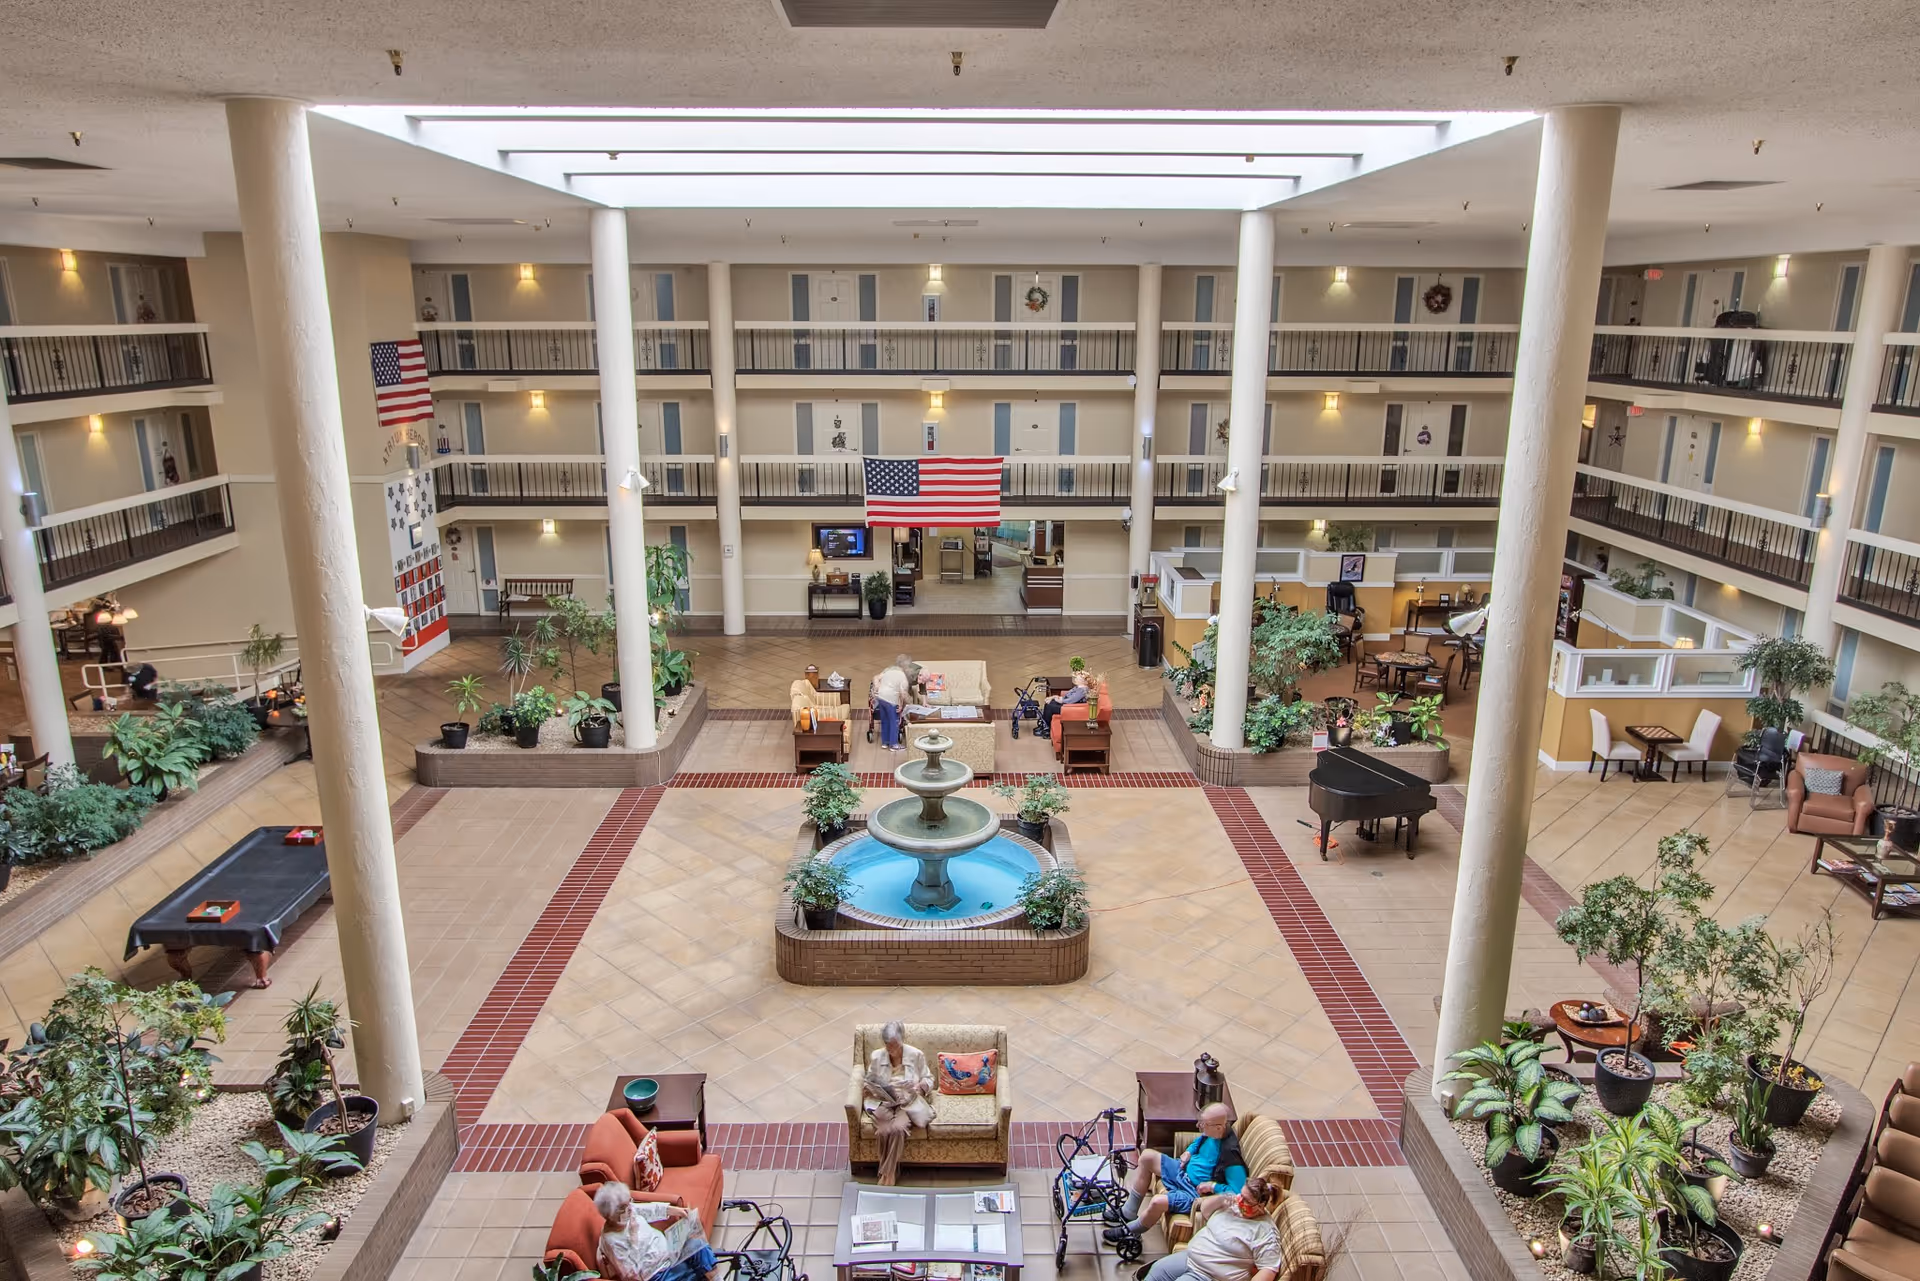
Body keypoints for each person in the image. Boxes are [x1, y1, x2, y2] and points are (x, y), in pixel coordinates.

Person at [1104, 1103, 1248, 1243]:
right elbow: (1199, 1140)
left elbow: (1237, 1193)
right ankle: (1128, 1212)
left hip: (1194, 1192)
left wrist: (1212, 1186)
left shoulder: (1231, 1156)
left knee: (1157, 1202)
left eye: (1203, 1124)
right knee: (1147, 1156)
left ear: (1219, 1127)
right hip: (1182, 1171)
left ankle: (1130, 1231)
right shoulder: (1212, 1133)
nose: (1199, 1126)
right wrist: (1188, 1151)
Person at [1134, 1175, 1281, 1281]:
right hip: (1190, 1258)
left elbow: (1268, 1270)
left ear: (1260, 1206)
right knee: (1156, 1271)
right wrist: (1221, 1199)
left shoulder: (1265, 1232)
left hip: (1210, 1274)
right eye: (1240, 1195)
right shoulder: (1232, 1206)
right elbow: (1204, 1211)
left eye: (1246, 1200)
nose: (1240, 1201)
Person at [592, 1181, 718, 1281]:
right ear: (609, 1214)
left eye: (629, 1202)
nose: (630, 1209)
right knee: (698, 1269)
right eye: (623, 1208)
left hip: (670, 1254)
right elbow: (631, 1275)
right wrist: (633, 1237)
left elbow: (649, 1210)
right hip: (657, 1275)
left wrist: (673, 1210)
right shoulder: (612, 1241)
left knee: (697, 1245)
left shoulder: (627, 1212)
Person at [863, 1019, 936, 1185]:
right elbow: (869, 1080)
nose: (892, 1050)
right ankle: (890, 1173)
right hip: (884, 1102)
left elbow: (929, 1078)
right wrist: (871, 1088)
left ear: (902, 1039)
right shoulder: (876, 1056)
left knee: (898, 1128)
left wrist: (920, 1087)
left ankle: (886, 1175)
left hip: (907, 1103)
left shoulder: (916, 1055)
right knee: (883, 1131)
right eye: (888, 1045)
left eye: (895, 1045)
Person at [872, 659, 911, 752]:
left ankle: (885, 742)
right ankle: (894, 744)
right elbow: (902, 693)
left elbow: (876, 678)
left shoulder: (888, 670)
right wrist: (902, 704)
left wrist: (876, 687)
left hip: (880, 697)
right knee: (894, 721)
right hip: (891, 699)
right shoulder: (903, 676)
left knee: (884, 720)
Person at [1037, 670, 1091, 738]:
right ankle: (1044, 724)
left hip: (1070, 708)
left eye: (1078, 677)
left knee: (1050, 706)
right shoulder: (1077, 688)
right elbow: (1067, 696)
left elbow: (1070, 700)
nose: (1075, 678)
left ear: (1083, 680)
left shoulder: (1082, 691)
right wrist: (1055, 697)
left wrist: (1059, 699)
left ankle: (1047, 727)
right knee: (1050, 703)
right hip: (1067, 705)